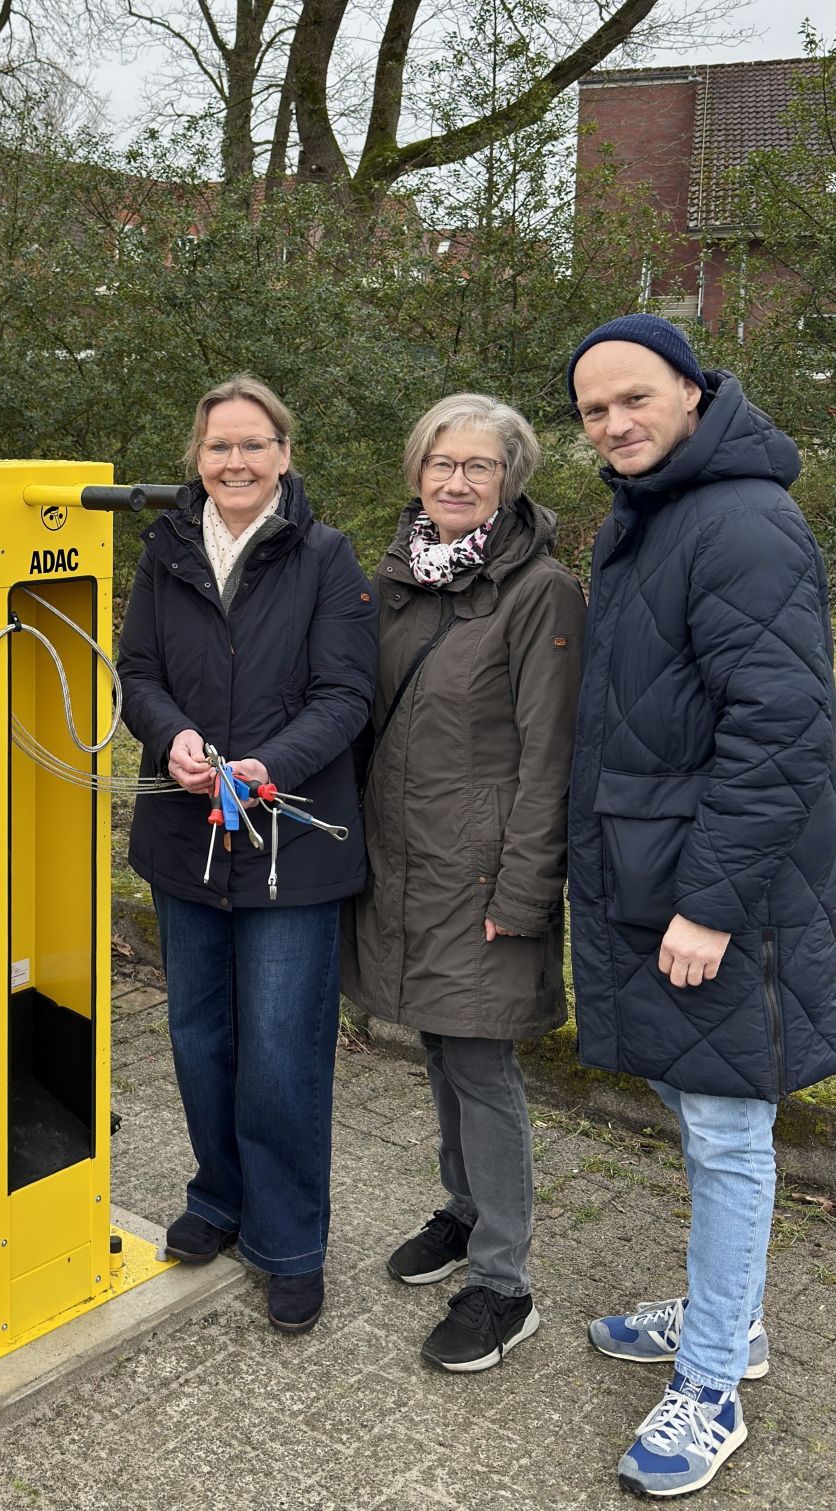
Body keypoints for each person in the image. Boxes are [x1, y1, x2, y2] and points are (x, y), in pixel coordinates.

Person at [566, 313, 836, 1498]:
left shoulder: (743, 522)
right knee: (695, 1107)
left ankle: (714, 1379)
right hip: (653, 874)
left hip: (717, 892)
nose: (614, 423)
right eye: (594, 410)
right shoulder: (652, 515)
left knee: (728, 1131)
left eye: (635, 397)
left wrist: (712, 904)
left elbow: (783, 731)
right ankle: (734, 1314)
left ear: (691, 389)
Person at [117, 374, 376, 1333]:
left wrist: (271, 765)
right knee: (199, 1035)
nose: (235, 461)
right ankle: (219, 1197)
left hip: (286, 843)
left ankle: (289, 1241)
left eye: (253, 445)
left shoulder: (326, 556)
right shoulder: (166, 550)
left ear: (283, 454)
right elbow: (136, 669)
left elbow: (346, 696)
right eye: (219, 445)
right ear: (198, 455)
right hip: (185, 835)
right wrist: (173, 736)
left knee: (281, 1052)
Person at [343, 395, 585, 1372]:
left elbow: (550, 756)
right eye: (441, 462)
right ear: (416, 472)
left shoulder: (542, 592)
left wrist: (521, 895)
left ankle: (503, 1283)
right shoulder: (396, 579)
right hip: (405, 863)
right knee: (441, 1046)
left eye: (478, 466)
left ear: (509, 480)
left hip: (483, 875)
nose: (456, 480)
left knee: (481, 1064)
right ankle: (465, 1207)